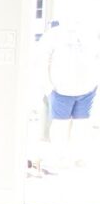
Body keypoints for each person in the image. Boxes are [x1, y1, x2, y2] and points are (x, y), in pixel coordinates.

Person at [40, 16, 100, 160]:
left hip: (87, 89)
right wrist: (48, 86)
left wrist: (94, 83)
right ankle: (59, 155)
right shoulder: (54, 35)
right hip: (61, 90)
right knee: (60, 125)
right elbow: (42, 60)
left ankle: (77, 156)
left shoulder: (90, 33)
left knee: (82, 125)